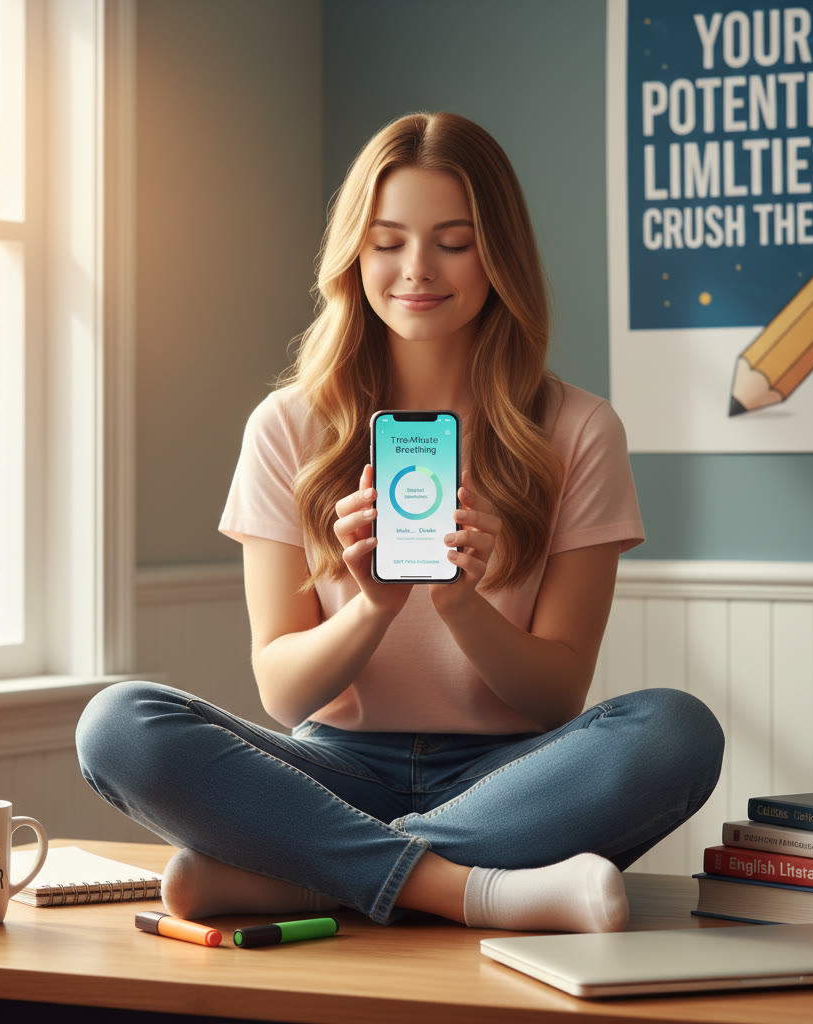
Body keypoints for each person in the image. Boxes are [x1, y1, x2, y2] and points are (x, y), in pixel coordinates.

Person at [76, 111, 724, 933]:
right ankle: (464, 889)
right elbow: (284, 692)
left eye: (453, 241)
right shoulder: (287, 426)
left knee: (677, 731)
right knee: (119, 724)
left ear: (500, 255)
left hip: (513, 774)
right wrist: (376, 603)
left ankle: (311, 875)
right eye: (388, 241)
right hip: (331, 767)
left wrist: (460, 602)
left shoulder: (579, 430)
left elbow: (557, 697)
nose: (417, 269)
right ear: (355, 252)